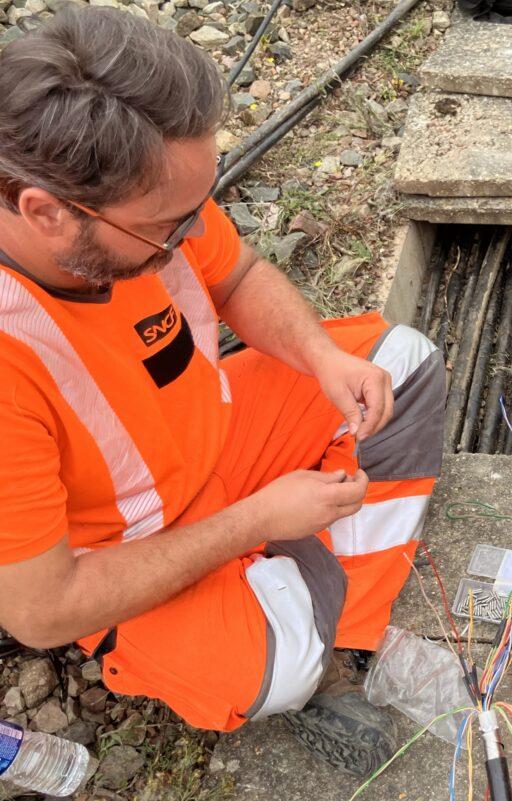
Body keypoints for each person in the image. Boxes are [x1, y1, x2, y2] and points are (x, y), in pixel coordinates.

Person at [0, 6, 445, 777]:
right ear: (46, 214)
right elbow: (43, 608)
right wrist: (255, 522)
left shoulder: (143, 199)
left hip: (216, 434)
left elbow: (235, 274)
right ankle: (294, 600)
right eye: (168, 228)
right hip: (123, 550)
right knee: (280, 672)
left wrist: (318, 357)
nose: (190, 233)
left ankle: (338, 613)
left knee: (399, 362)